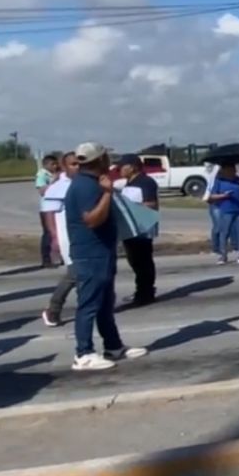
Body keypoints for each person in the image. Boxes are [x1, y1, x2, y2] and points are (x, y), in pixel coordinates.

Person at [62, 143, 147, 371]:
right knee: (89, 304)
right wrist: (108, 193)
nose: (110, 159)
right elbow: (92, 219)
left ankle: (113, 346)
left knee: (104, 303)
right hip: (90, 253)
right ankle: (84, 353)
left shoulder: (91, 182)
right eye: (107, 156)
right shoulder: (85, 186)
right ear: (99, 159)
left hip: (102, 251)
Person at [40, 152, 79, 327]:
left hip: (87, 237)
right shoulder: (58, 187)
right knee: (75, 273)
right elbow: (49, 213)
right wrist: (54, 237)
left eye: (80, 163)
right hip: (68, 237)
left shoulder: (85, 183)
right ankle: (53, 310)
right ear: (64, 166)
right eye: (73, 164)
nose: (77, 167)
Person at [118, 154, 161, 305]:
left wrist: (128, 208)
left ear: (132, 167)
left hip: (143, 227)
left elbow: (151, 204)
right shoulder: (128, 183)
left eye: (122, 166)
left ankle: (146, 292)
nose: (119, 169)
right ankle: (141, 290)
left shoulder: (146, 182)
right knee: (134, 260)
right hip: (130, 228)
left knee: (143, 261)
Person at [207, 162, 239, 265]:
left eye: (234, 169)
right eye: (231, 170)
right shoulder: (219, 181)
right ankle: (223, 256)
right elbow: (211, 197)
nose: (234, 171)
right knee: (224, 233)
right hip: (226, 210)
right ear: (224, 171)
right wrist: (223, 196)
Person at [36, 154, 61, 267]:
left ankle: (60, 256)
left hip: (57, 207)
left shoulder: (57, 174)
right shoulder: (42, 175)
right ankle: (46, 259)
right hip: (46, 209)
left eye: (56, 164)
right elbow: (41, 191)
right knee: (48, 234)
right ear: (46, 164)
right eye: (52, 164)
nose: (55, 166)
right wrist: (53, 182)